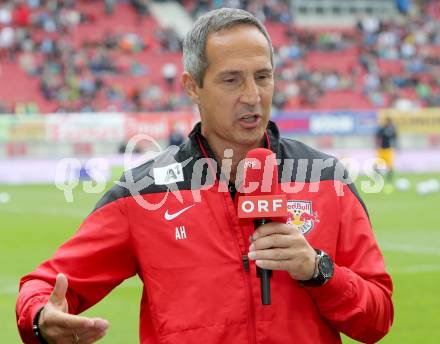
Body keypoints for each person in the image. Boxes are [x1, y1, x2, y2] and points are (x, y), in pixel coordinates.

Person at [16, 8, 393, 344]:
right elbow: (45, 286)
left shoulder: (328, 179)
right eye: (232, 80)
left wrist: (318, 270)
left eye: (263, 77)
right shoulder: (143, 193)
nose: (253, 95)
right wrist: (38, 319)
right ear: (192, 86)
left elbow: (377, 319)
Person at [375, 117, 398, 184]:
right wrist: (377, 144)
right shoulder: (383, 128)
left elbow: (395, 137)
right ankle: (377, 177)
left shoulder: (392, 129)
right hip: (381, 149)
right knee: (378, 164)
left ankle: (389, 179)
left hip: (388, 149)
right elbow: (377, 135)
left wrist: (396, 146)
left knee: (390, 165)